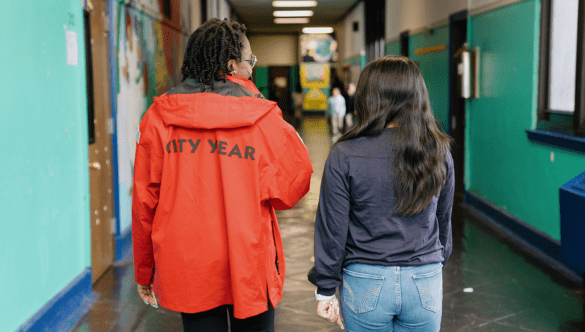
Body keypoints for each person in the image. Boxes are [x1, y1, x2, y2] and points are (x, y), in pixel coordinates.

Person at [132, 18, 313, 332]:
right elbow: (291, 189)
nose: (252, 68)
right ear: (232, 64)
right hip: (250, 259)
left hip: (188, 265)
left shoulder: (159, 117)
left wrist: (144, 270)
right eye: (249, 61)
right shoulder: (264, 116)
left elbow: (144, 203)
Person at [309, 56, 454, 331]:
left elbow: (332, 229)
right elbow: (443, 221)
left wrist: (326, 289)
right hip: (424, 277)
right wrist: (432, 267)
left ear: (367, 97)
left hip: (365, 279)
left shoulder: (345, 153)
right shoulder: (439, 151)